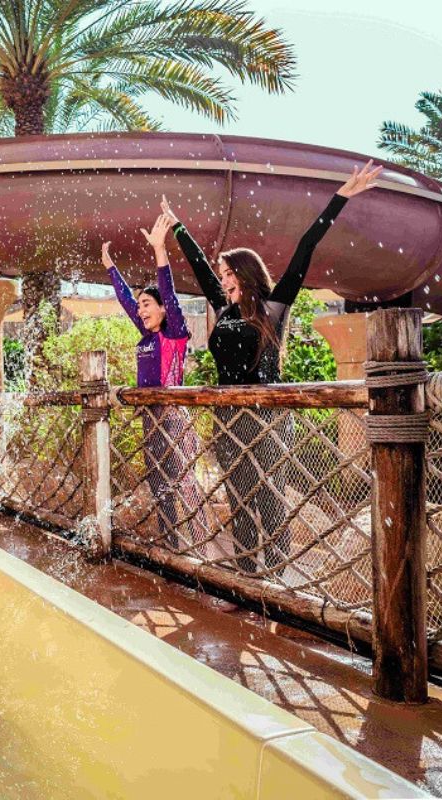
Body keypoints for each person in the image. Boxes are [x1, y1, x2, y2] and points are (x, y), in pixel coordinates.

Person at [161, 161, 382, 574]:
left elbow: (304, 248)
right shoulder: (222, 307)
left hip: (267, 416)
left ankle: (276, 582)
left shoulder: (273, 307)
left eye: (229, 273)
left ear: (245, 274)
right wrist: (177, 226)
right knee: (240, 497)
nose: (222, 279)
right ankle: (248, 580)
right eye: (222, 274)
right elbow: (197, 265)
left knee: (270, 499)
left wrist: (341, 198)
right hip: (227, 415)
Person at [102, 215, 215, 556]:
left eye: (147, 304)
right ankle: (173, 549)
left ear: (164, 310)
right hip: (149, 421)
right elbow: (125, 300)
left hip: (174, 420)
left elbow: (167, 292)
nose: (141, 309)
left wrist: (159, 249)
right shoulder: (147, 334)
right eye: (141, 306)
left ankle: (201, 551)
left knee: (185, 486)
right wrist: (110, 268)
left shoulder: (173, 333)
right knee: (159, 485)